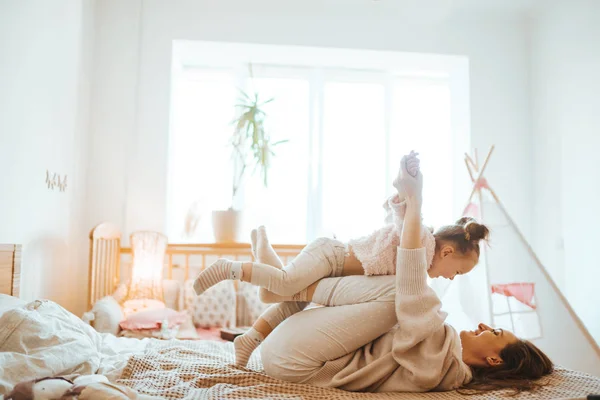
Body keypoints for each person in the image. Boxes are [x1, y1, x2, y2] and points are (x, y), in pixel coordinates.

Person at [258, 157, 553, 393]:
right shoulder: (443, 350)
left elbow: (410, 286)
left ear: (493, 360)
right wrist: (405, 205)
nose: (483, 325)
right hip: (288, 352)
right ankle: (287, 289)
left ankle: (289, 289)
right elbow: (403, 265)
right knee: (397, 286)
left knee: (398, 292)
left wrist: (416, 203)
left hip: (295, 360)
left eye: (496, 332)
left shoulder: (442, 365)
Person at [194, 152, 489, 366]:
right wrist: (405, 196)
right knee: (282, 285)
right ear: (448, 252)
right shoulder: (420, 240)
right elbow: (400, 219)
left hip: (334, 272)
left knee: (289, 303)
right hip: (330, 256)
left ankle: (249, 339)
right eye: (458, 272)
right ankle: (228, 268)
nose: (451, 278)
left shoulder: (418, 267)